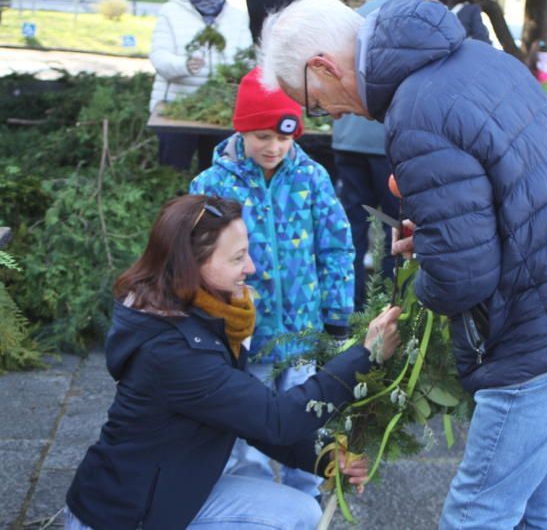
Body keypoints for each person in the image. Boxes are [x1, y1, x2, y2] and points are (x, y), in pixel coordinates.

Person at [259, 0, 547, 527]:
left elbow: (463, 278)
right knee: (541, 502)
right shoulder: (473, 58)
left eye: (316, 102)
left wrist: (423, 293)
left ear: (325, 66)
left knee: (477, 512)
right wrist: (441, 234)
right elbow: (514, 190)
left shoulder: (415, 112)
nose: (327, 113)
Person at [63, 194, 401, 530]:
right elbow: (276, 418)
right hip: (129, 515)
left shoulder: (201, 317)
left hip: (172, 487)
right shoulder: (172, 352)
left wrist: (326, 456)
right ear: (190, 263)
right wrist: (364, 354)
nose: (251, 267)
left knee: (300, 512)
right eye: (238, 257)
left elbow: (250, 416)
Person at [190, 67, 355, 498]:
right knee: (249, 433)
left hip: (302, 336)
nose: (275, 147)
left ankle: (306, 499)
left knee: (308, 421)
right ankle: (255, 503)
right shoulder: (212, 185)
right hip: (246, 337)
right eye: (263, 136)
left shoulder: (311, 178)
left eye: (284, 137)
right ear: (242, 129)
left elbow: (336, 248)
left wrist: (337, 317)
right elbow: (196, 259)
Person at [332, 0, 400, 312]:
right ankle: (387, 303)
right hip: (384, 143)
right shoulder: (403, 18)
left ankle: (352, 305)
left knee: (353, 225)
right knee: (392, 225)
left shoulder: (349, 18)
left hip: (348, 139)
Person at [149, 0, 252, 172]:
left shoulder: (238, 16)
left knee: (218, 172)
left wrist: (238, 73)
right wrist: (184, 64)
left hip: (221, 111)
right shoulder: (171, 11)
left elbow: (247, 59)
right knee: (173, 170)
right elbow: (159, 56)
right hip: (175, 110)